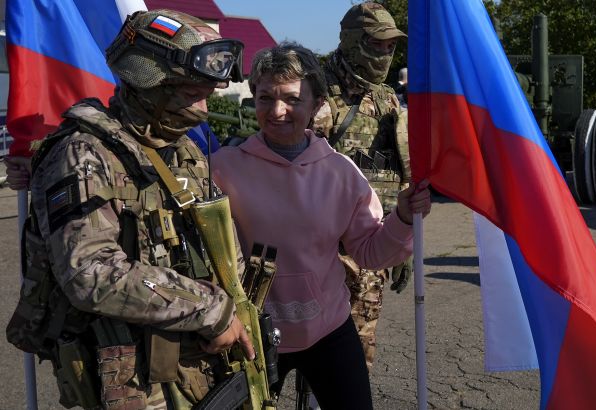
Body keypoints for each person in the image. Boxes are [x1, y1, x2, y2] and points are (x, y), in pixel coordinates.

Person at [4, 9, 254, 409]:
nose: (204, 107)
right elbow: (90, 272)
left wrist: (236, 308)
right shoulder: (83, 153)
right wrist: (210, 309)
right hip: (131, 376)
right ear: (151, 82)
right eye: (193, 93)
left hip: (196, 363)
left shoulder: (183, 149)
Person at [211, 42, 431, 410]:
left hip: (329, 330)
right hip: (251, 333)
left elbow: (370, 252)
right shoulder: (222, 167)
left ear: (316, 106)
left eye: (292, 99)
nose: (277, 111)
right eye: (265, 98)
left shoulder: (341, 173)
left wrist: (404, 219)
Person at [311, 2, 411, 370]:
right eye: (377, 43)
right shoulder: (317, 94)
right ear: (353, 41)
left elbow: (399, 170)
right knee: (312, 349)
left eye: (390, 46)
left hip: (373, 248)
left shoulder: (386, 98)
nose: (385, 53)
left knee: (357, 354)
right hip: (322, 253)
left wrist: (402, 245)